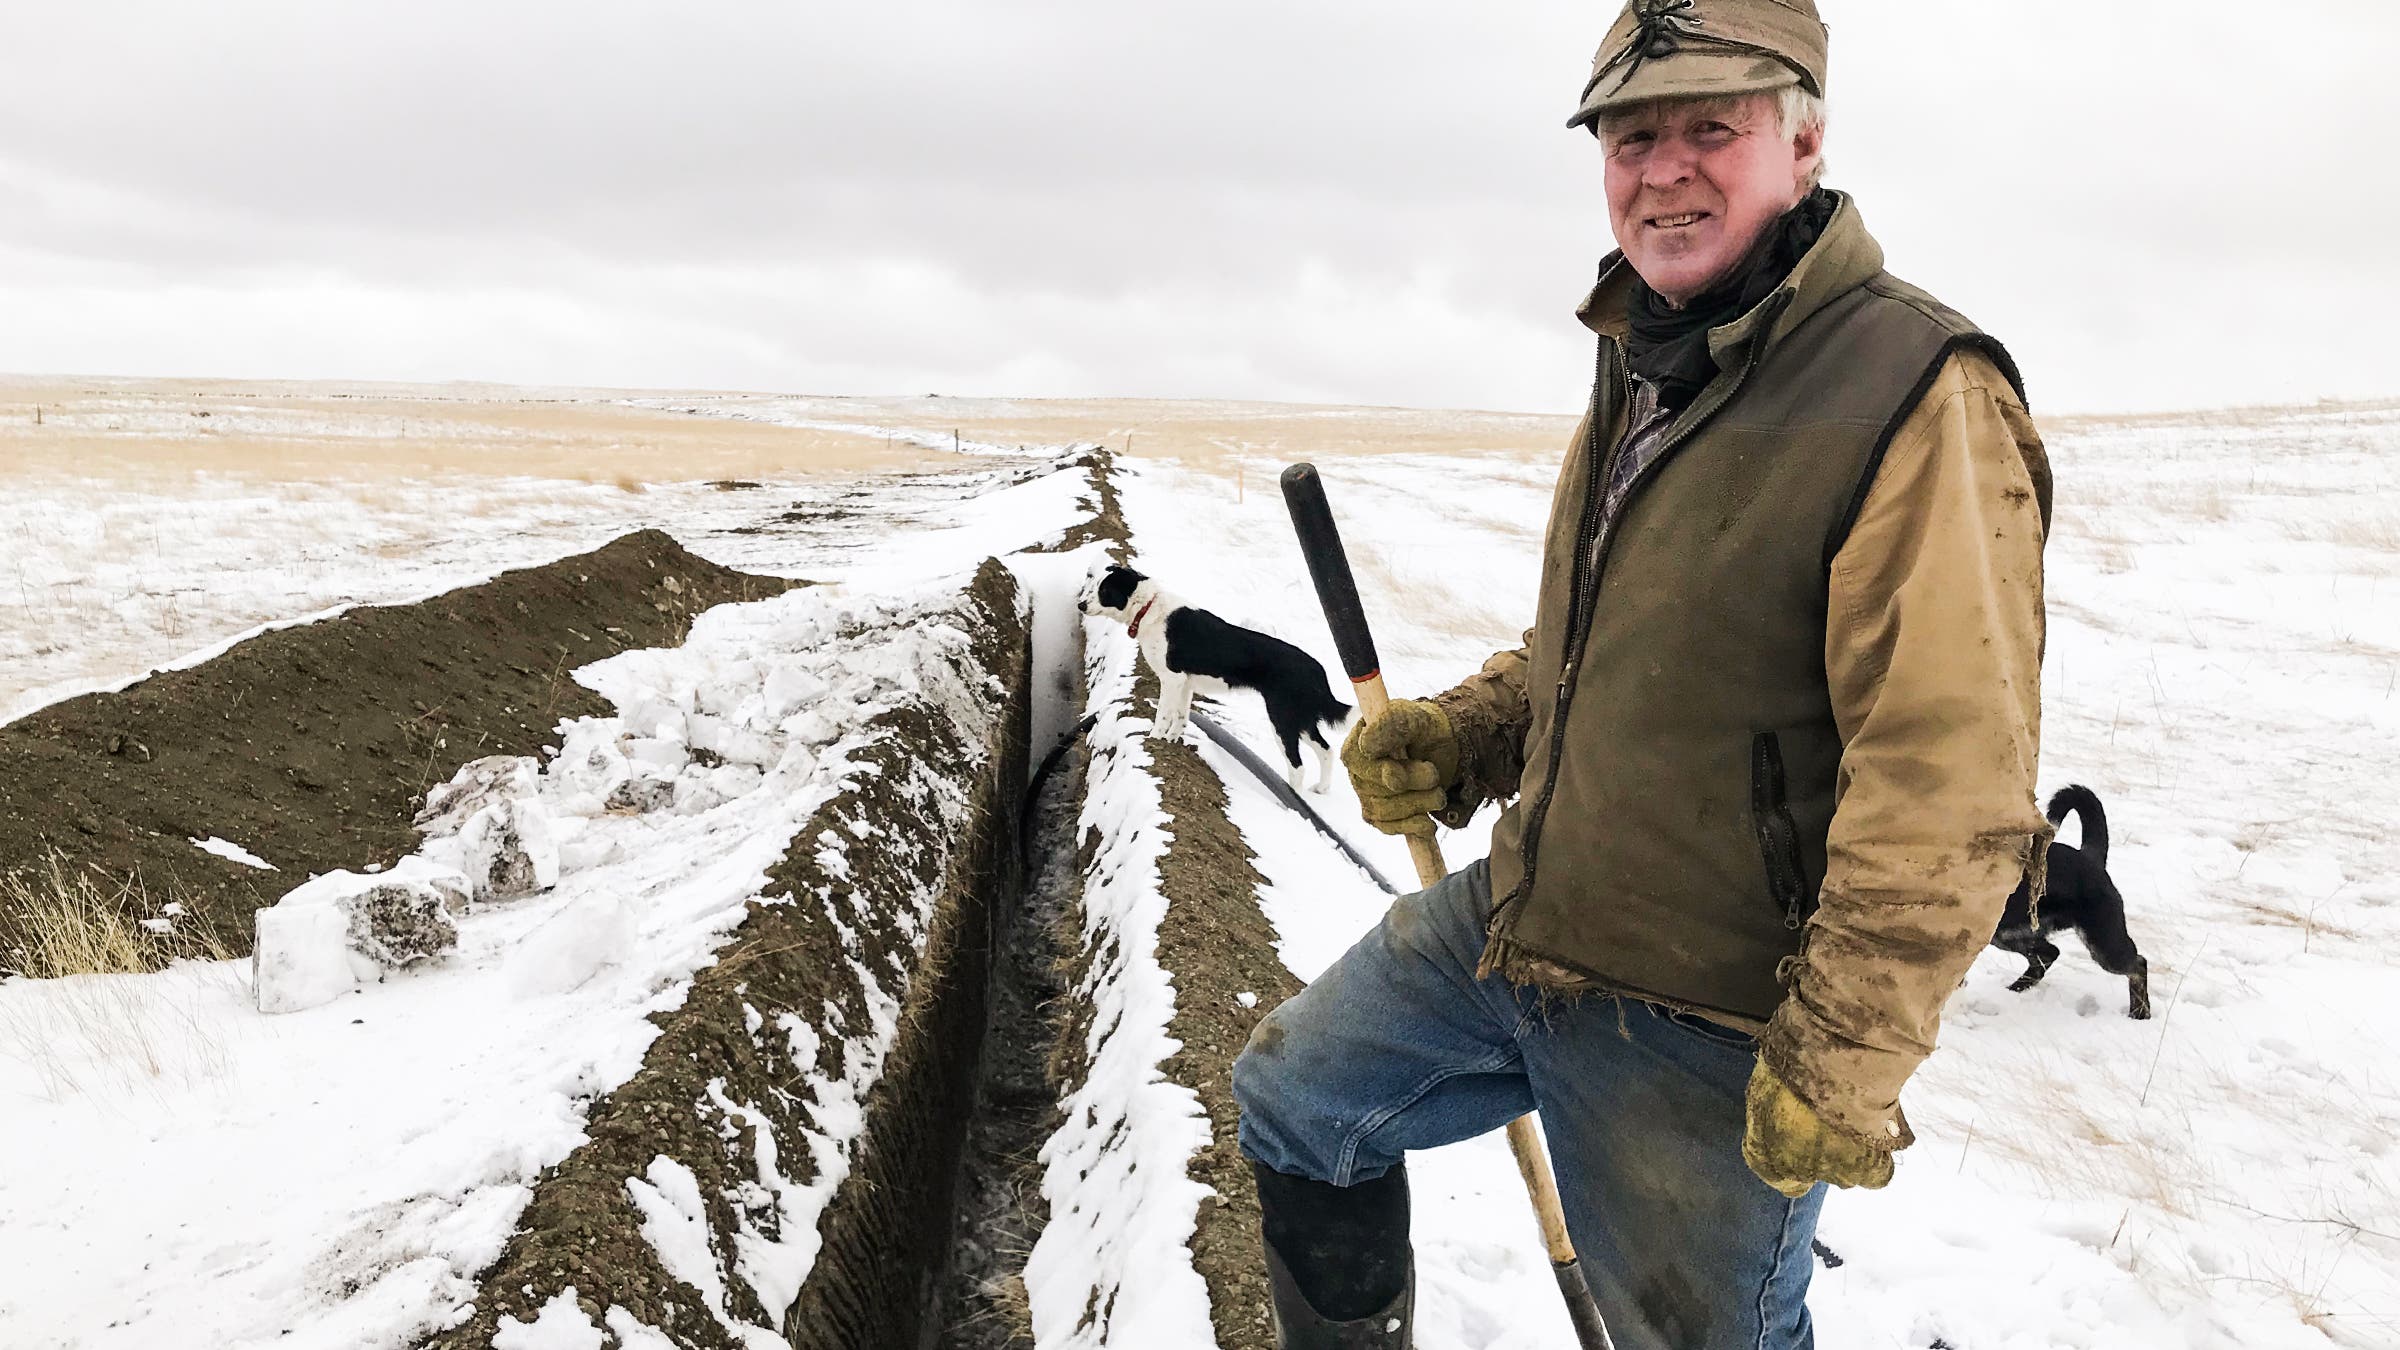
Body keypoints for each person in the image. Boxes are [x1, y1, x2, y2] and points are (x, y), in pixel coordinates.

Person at [1230, 2, 2053, 1346]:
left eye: (1709, 129)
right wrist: (1470, 733)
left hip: (1707, 1011)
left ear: (1805, 143)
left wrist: (1839, 1060)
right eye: (1631, 135)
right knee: (1298, 1103)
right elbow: (1610, 649)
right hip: (1533, 920)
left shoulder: (1916, 389)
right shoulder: (1649, 350)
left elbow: (1948, 784)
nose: (1663, 170)